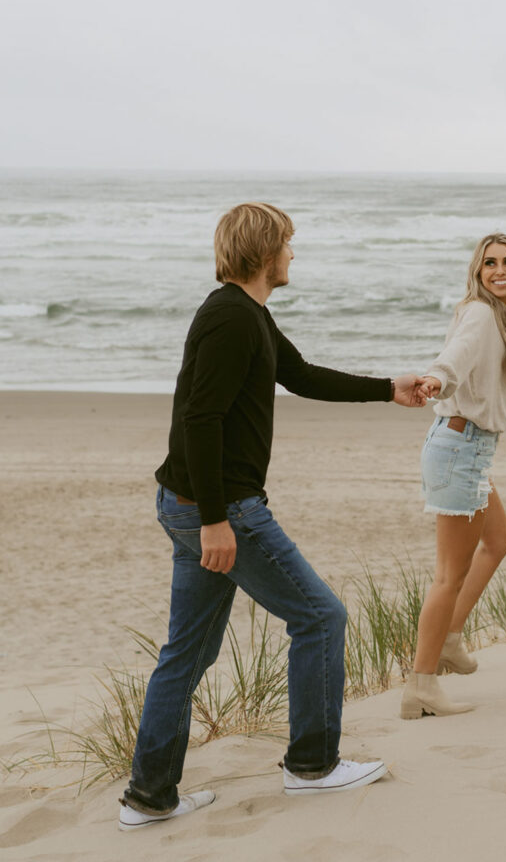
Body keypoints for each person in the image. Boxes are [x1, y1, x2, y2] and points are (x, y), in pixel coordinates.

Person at [119, 202, 429, 831]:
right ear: (265, 252)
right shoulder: (232, 318)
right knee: (321, 618)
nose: (293, 254)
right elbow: (199, 420)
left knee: (187, 654)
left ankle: (149, 798)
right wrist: (214, 521)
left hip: (196, 504)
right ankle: (312, 766)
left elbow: (301, 375)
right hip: (221, 508)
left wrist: (387, 387)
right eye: (288, 244)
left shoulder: (246, 314)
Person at [400, 233, 506, 720]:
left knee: (498, 539)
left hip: (469, 450)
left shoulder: (498, 316)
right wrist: (436, 378)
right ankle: (422, 685)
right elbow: (455, 357)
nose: (500, 270)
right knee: (447, 575)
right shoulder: (481, 314)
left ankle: (450, 638)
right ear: (477, 271)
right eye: (490, 264)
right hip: (460, 448)